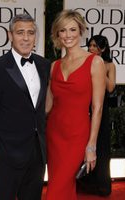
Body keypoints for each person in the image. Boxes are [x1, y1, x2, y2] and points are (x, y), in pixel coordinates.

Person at [0, 14, 50, 200]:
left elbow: (42, 107)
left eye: (31, 33)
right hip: (7, 154)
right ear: (10, 35)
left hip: (37, 153)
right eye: (20, 33)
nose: (26, 38)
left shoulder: (44, 65)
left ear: (36, 36)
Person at [45, 10, 106, 200]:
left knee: (56, 190)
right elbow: (48, 105)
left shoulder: (95, 62)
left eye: (72, 29)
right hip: (54, 134)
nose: (68, 35)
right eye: (62, 30)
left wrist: (91, 146)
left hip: (77, 135)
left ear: (81, 31)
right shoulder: (54, 66)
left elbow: (97, 108)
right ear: (57, 34)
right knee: (62, 186)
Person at [78, 35, 116, 196]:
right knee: (82, 144)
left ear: (103, 49)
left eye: (95, 46)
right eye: (90, 46)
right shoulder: (84, 62)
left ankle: (101, 185)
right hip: (84, 107)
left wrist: (100, 66)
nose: (92, 49)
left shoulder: (109, 65)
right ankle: (85, 183)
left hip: (101, 109)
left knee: (100, 146)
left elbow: (111, 88)